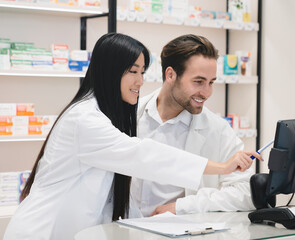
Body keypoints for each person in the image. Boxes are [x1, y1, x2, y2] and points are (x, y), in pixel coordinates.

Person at [3, 33, 257, 240]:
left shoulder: (107, 114)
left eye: (142, 72)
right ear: (111, 72)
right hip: (44, 231)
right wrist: (220, 167)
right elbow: (142, 155)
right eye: (133, 72)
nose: (140, 81)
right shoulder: (86, 120)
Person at [130, 34, 260, 218]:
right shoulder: (130, 116)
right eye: (198, 82)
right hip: (125, 228)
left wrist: (182, 206)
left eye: (211, 82)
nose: (207, 92)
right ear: (170, 75)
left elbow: (245, 193)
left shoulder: (217, 129)